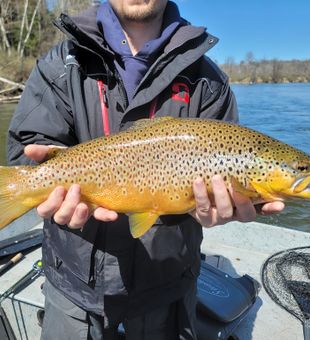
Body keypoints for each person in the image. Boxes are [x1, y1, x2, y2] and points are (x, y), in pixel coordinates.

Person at [7, 1, 285, 339]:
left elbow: (215, 197)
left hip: (168, 290)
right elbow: (26, 152)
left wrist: (210, 213)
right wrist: (38, 171)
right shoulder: (60, 65)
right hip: (73, 289)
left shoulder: (209, 82)